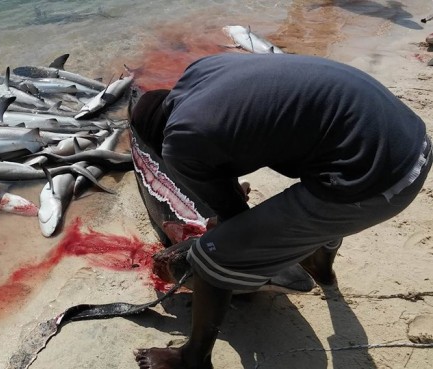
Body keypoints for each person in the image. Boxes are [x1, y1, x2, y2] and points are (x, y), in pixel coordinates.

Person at [129, 52, 431, 369]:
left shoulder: (178, 144)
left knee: (212, 256)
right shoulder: (203, 70)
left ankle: (192, 358)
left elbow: (234, 216)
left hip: (375, 181)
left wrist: (215, 238)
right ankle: (318, 263)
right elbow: (244, 130)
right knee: (320, 175)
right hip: (410, 140)